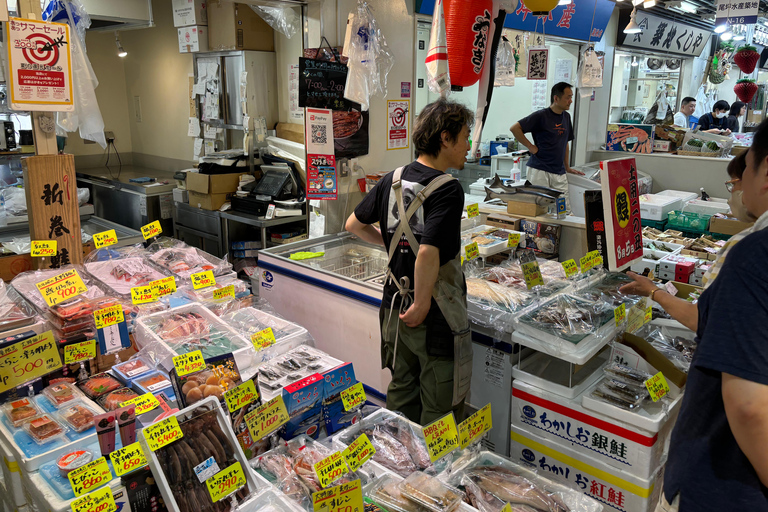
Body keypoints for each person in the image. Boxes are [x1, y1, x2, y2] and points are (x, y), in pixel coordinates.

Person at [650, 118, 768, 512]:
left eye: (745, 169)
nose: (736, 186)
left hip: (724, 483)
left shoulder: (754, 256)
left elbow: (750, 407)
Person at [345, 98, 472, 425]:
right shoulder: (448, 188)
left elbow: (354, 225)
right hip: (433, 316)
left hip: (393, 309)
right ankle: (436, 474)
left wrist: (389, 246)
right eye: (465, 137)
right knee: (440, 408)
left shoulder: (393, 178)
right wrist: (423, 303)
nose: (468, 145)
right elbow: (428, 252)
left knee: (401, 392)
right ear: (445, 138)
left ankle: (399, 469)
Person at [620, 152, 753, 331]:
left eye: (733, 184)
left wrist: (653, 291)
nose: (731, 195)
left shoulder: (745, 246)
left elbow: (700, 318)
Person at [510, 82, 584, 213]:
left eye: (571, 97)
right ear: (556, 98)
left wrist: (566, 166)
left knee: (564, 210)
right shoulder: (541, 116)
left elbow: (565, 143)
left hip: (559, 172)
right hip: (540, 170)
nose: (571, 101)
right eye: (568, 97)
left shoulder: (566, 117)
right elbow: (515, 128)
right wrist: (530, 147)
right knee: (539, 209)